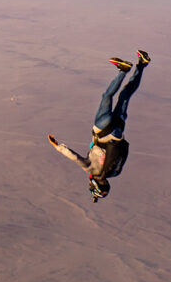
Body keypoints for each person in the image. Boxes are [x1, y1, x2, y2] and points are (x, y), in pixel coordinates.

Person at [48, 50, 151, 201]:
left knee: (125, 96)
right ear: (95, 185)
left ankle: (142, 65)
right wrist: (58, 146)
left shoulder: (115, 172)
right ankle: (123, 71)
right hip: (102, 129)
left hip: (118, 132)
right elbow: (75, 157)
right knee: (107, 96)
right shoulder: (92, 170)